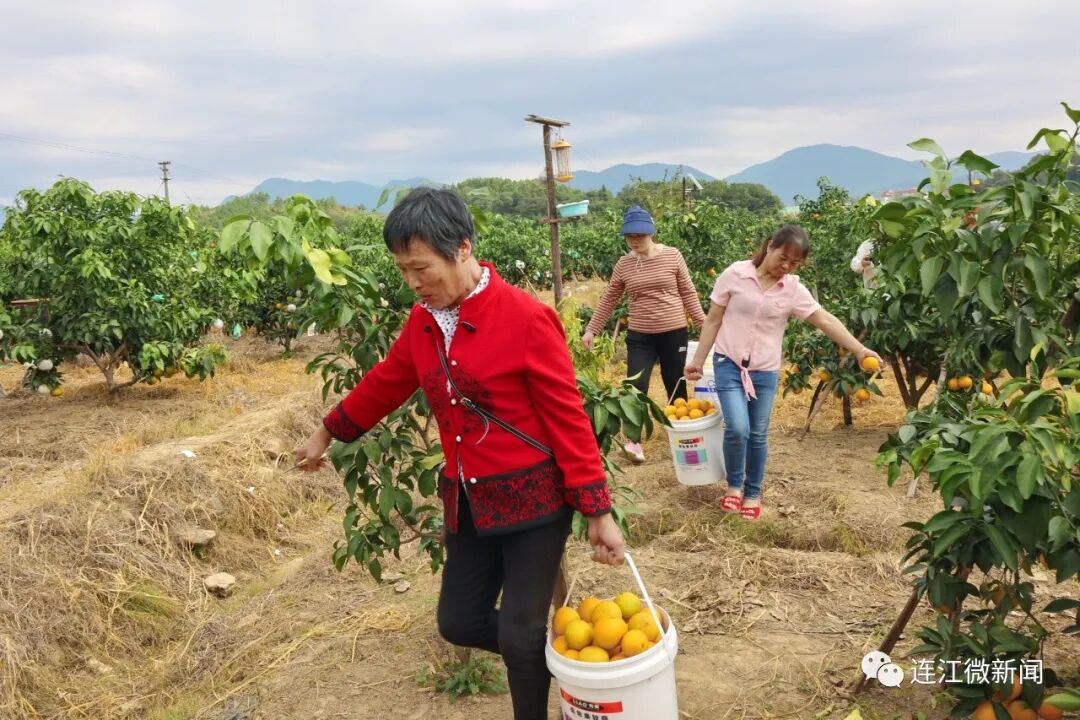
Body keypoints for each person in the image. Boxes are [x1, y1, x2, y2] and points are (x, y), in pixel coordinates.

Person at [295, 188, 625, 720]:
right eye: (404, 270)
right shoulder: (423, 321)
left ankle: (541, 685)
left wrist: (597, 511)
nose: (413, 283)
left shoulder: (525, 317)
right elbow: (388, 380)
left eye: (421, 268)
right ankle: (559, 660)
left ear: (463, 249)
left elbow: (568, 419)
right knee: (459, 620)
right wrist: (328, 431)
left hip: (533, 502)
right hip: (469, 502)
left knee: (519, 634)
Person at [685, 225, 882, 521]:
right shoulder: (735, 275)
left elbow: (824, 320)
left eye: (795, 263)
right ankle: (734, 487)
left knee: (757, 434)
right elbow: (713, 320)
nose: (786, 267)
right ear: (770, 245)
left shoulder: (792, 288)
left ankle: (752, 493)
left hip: (764, 372)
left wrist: (858, 349)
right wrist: (698, 360)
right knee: (737, 428)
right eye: (783, 258)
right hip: (729, 365)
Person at [583, 205, 707, 463]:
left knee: (676, 384)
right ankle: (633, 443)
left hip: (673, 332)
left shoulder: (673, 256)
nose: (635, 240)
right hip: (641, 335)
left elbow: (688, 292)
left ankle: (682, 441)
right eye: (630, 236)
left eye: (640, 234)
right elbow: (610, 298)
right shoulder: (624, 264)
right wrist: (592, 329)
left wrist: (704, 325)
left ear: (652, 233)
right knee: (634, 388)